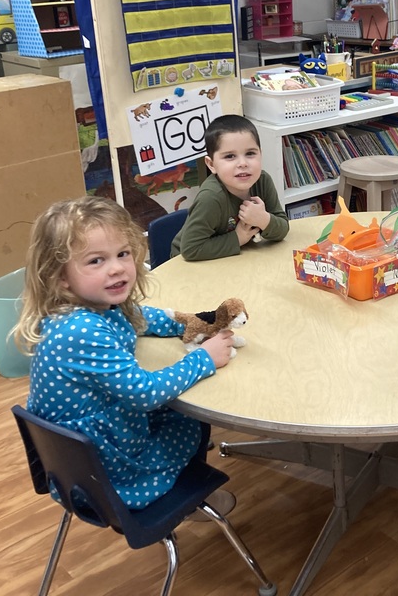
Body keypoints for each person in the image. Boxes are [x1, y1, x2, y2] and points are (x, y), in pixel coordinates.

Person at [17, 196, 238, 513]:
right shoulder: (80, 331)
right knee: (193, 418)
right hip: (107, 473)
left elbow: (139, 316)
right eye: (96, 261)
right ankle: (188, 501)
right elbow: (145, 393)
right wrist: (204, 358)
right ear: (61, 277)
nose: (117, 268)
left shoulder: (90, 305)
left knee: (184, 408)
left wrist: (189, 322)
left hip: (86, 453)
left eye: (122, 254)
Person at [171, 114, 289, 261]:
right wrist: (238, 238)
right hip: (188, 264)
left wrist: (264, 220)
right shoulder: (211, 197)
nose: (243, 163)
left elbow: (283, 228)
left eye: (250, 153)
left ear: (261, 154)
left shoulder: (263, 181)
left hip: (233, 258)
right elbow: (190, 249)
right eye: (230, 156)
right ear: (211, 165)